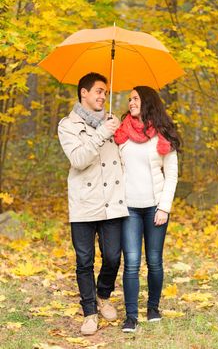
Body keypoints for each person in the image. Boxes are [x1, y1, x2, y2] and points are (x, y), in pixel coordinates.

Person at [58, 72, 128, 335]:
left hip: (112, 202)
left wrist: (117, 129)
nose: (103, 96)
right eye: (99, 91)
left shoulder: (111, 123)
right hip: (84, 203)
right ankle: (89, 311)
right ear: (83, 93)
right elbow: (78, 159)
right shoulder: (67, 125)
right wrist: (101, 133)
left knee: (112, 256)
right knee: (84, 260)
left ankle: (103, 295)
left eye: (106, 93)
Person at [114, 86, 180, 332]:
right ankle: (131, 316)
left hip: (155, 208)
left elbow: (172, 175)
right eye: (129, 99)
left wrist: (164, 207)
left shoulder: (162, 135)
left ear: (148, 102)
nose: (130, 102)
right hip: (128, 208)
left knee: (154, 260)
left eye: (135, 99)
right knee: (131, 261)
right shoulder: (120, 133)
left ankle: (153, 307)